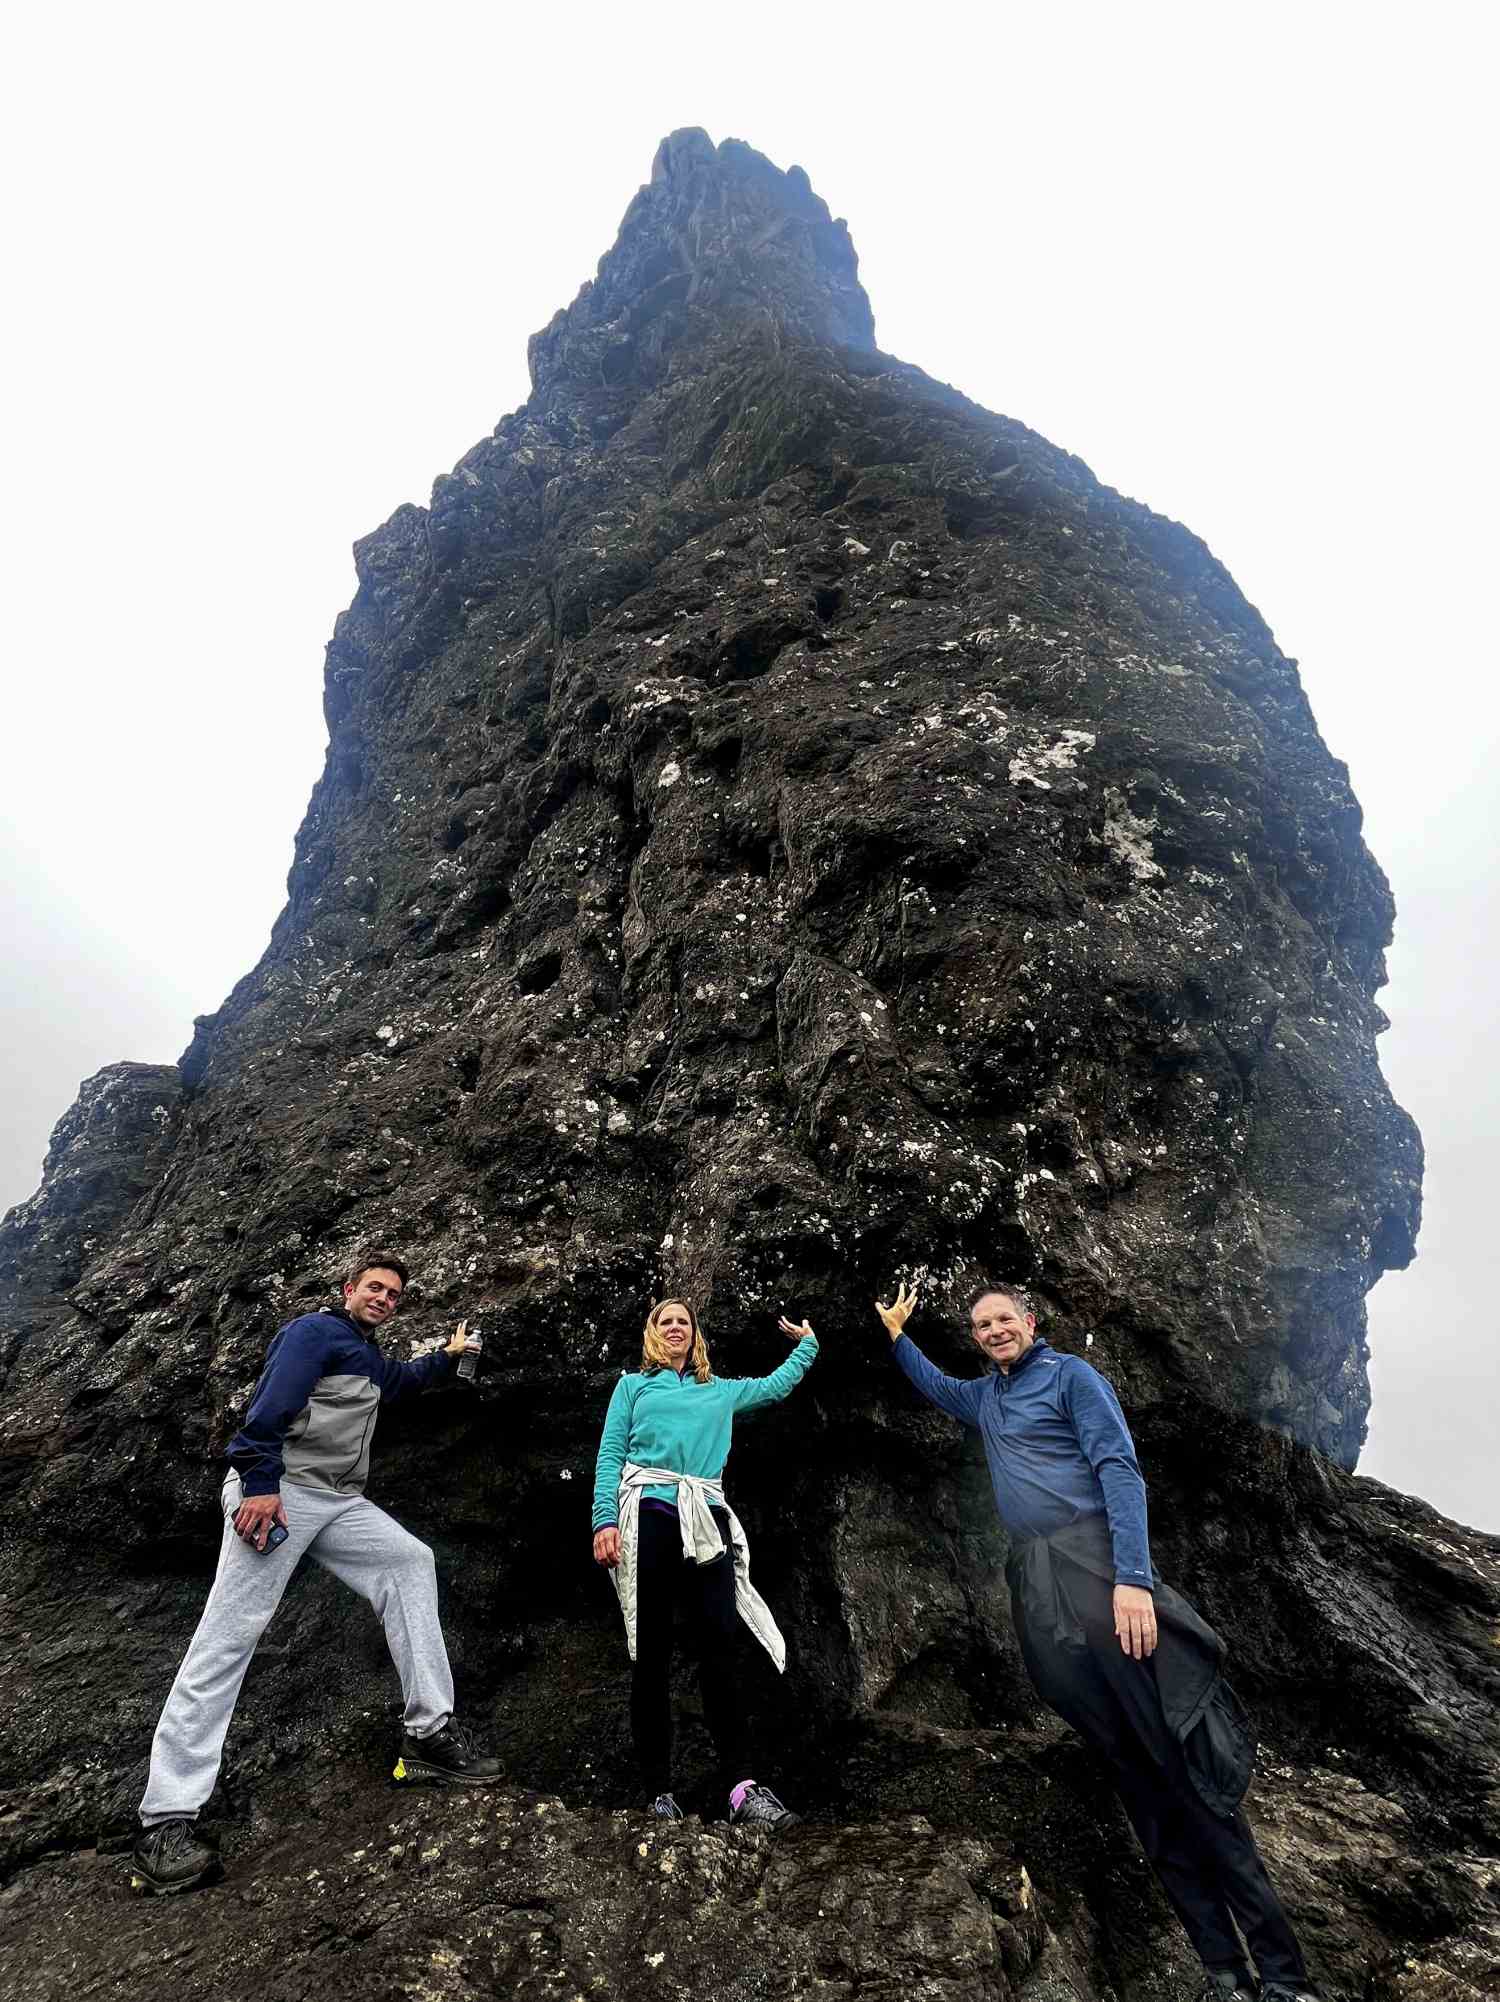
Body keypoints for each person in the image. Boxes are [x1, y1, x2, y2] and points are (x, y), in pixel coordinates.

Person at [876, 1280, 1317, 2002]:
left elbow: (1118, 1467)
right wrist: (897, 1338)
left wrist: (1132, 1578)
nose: (993, 1331)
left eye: (1003, 1319)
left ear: (1029, 1321)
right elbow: (937, 1385)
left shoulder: (1072, 1377)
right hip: (1040, 1591)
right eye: (981, 1325)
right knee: (1138, 1785)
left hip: (1097, 1570)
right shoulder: (985, 1398)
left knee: (1183, 1775)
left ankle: (1286, 1980)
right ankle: (1225, 1974)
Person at [131, 1251, 500, 1896]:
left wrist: (449, 1354)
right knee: (228, 1638)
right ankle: (165, 1818)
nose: (384, 1297)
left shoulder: (367, 1356)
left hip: (339, 1502)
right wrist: (259, 1484)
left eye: (393, 1293)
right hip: (279, 1494)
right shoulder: (313, 1333)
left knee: (411, 1561)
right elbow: (267, 1410)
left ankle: (429, 1733)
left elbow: (403, 1381)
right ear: (349, 1288)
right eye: (374, 1287)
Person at [592, 1297, 817, 1829]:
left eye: (684, 1322)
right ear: (652, 1333)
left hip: (706, 1519)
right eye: (665, 1321)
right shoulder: (632, 1386)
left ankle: (743, 1790)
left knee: (720, 1648)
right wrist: (603, 1520)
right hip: (646, 1512)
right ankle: (658, 1794)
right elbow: (608, 1454)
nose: (675, 1327)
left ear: (696, 1336)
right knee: (649, 1654)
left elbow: (776, 1385)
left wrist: (807, 1345)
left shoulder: (718, 1391)